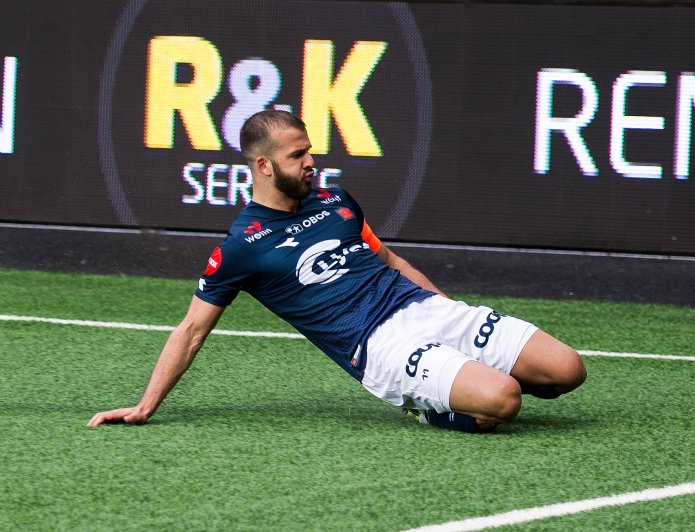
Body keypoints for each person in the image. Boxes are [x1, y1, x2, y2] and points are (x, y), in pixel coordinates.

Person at [88, 110, 586, 433]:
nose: (312, 162)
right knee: (504, 401)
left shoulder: (337, 202)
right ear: (263, 166)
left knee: (567, 371)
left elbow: (392, 261)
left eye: (310, 150)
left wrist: (447, 307)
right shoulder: (242, 247)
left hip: (427, 310)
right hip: (381, 347)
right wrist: (145, 405)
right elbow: (192, 329)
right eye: (297, 155)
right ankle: (432, 406)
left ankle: (461, 375)